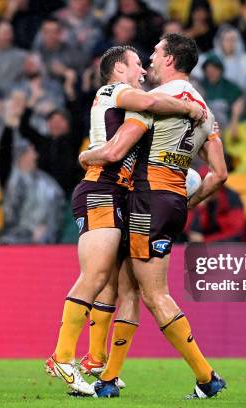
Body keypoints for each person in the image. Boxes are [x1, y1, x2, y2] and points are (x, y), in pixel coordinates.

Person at [44, 44, 207, 396]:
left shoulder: (130, 101)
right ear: (119, 69)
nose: (144, 70)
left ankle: (97, 362)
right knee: (97, 275)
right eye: (136, 64)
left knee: (114, 286)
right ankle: (62, 356)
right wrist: (187, 107)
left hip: (119, 194)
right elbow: (147, 107)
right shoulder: (113, 90)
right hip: (100, 189)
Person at [79, 33, 227, 399]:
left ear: (171, 60)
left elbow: (116, 150)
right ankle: (108, 380)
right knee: (129, 285)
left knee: (154, 294)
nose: (150, 59)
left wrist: (86, 157)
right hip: (172, 198)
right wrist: (187, 203)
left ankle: (207, 377)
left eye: (156, 53)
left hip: (148, 198)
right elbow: (220, 174)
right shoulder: (205, 110)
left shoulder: (156, 102)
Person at [0, 139, 65, 243]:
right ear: (21, 156)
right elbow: (9, 220)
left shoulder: (45, 181)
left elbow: (58, 204)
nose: (36, 156)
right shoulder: (13, 183)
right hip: (17, 241)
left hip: (46, 237)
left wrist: (47, 229)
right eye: (31, 152)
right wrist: (29, 233)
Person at [191, 24, 246, 93]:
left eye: (233, 40)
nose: (230, 43)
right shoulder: (208, 57)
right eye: (227, 40)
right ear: (220, 41)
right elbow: (196, 76)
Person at [187, 168, 245, 243]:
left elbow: (236, 232)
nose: (205, 186)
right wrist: (199, 207)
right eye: (202, 181)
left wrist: (205, 240)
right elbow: (189, 230)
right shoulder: (195, 197)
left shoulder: (231, 198)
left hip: (224, 246)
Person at [198, 54, 242, 131]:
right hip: (206, 130)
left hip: (227, 129)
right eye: (208, 71)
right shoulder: (200, 87)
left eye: (214, 70)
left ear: (220, 70)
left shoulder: (230, 87)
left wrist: (234, 121)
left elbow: (239, 103)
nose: (211, 73)